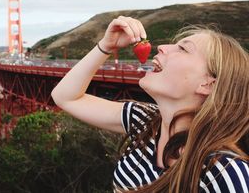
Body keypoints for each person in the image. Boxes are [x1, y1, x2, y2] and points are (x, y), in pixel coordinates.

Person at [51, 16, 249, 192]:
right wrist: (106, 46)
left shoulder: (223, 173)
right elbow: (65, 97)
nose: (162, 47)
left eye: (183, 48)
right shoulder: (144, 121)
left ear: (207, 83)